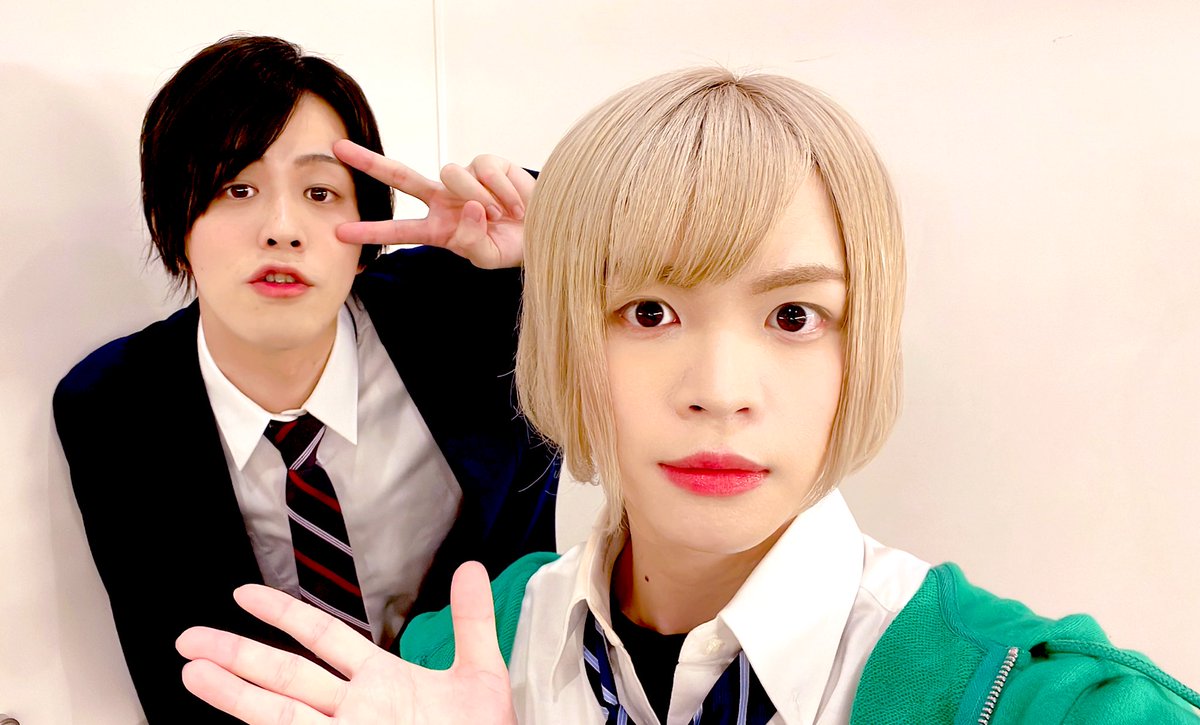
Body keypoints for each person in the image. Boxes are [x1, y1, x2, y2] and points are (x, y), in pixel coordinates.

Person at [172, 68, 1200, 723]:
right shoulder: (459, 654)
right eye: (650, 311)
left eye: (793, 315)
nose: (718, 391)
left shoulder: (1041, 696)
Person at [53, 35, 557, 722]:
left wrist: (553, 237)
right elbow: (179, 668)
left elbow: (668, 284)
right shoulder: (115, 406)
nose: (282, 229)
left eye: (320, 192)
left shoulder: (475, 299)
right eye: (237, 188)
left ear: (369, 230)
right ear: (172, 224)